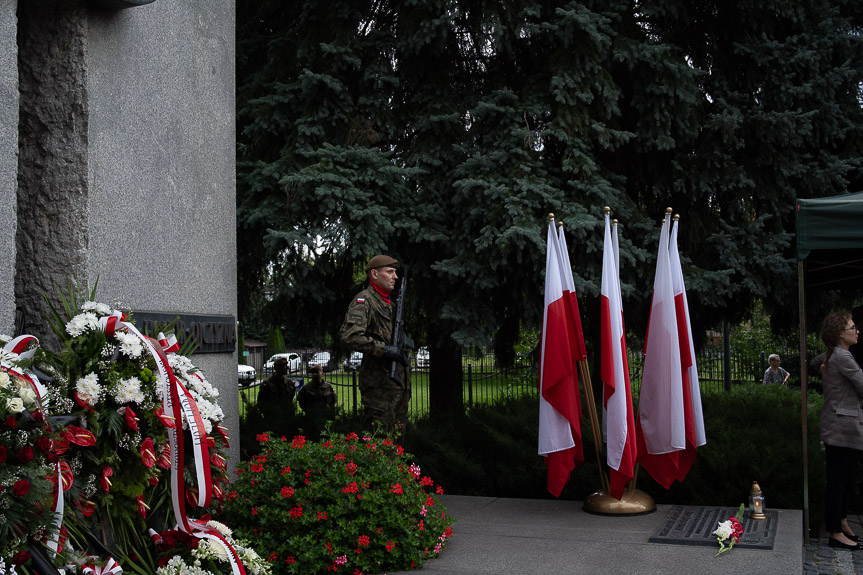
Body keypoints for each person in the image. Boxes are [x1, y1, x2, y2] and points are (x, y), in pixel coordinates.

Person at [339, 254, 410, 434]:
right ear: (374, 274)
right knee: (380, 442)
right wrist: (384, 349)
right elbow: (349, 336)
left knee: (397, 443)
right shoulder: (364, 301)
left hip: (397, 385)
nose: (395, 276)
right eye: (390, 272)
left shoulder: (390, 304)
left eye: (395, 272)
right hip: (379, 388)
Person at [817, 311, 863, 550]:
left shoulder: (836, 354)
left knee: (845, 480)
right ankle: (835, 532)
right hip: (841, 428)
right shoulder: (843, 357)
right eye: (852, 327)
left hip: (843, 427)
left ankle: (842, 522)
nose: (857, 331)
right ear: (840, 334)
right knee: (838, 482)